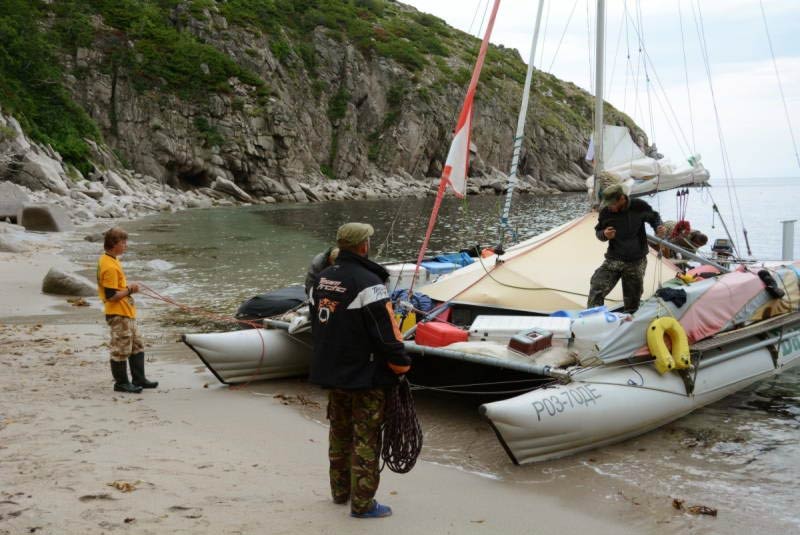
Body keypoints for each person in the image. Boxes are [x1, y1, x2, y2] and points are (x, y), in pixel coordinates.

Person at [309, 222, 411, 519]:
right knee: (365, 438)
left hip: (332, 372)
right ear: (363, 246)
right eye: (369, 240)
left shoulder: (323, 278)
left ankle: (340, 492)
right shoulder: (369, 283)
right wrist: (401, 364)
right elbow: (386, 333)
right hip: (364, 376)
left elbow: (319, 324)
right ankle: (363, 504)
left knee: (339, 433)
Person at [96, 227, 158, 394]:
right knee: (121, 349)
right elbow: (111, 296)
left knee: (137, 345)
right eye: (123, 243)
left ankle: (139, 379)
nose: (125, 246)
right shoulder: (108, 265)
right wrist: (130, 290)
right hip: (118, 313)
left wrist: (129, 288)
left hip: (126, 312)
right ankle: (121, 383)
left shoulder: (111, 259)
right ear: (114, 244)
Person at [588, 185, 666, 313]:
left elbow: (654, 217)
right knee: (597, 286)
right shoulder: (606, 212)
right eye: (607, 204)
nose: (609, 207)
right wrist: (604, 234)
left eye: (611, 204)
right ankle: (594, 319)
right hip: (614, 258)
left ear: (622, 199)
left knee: (632, 299)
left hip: (636, 260)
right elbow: (599, 231)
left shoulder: (638, 206)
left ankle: (630, 321)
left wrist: (658, 227)